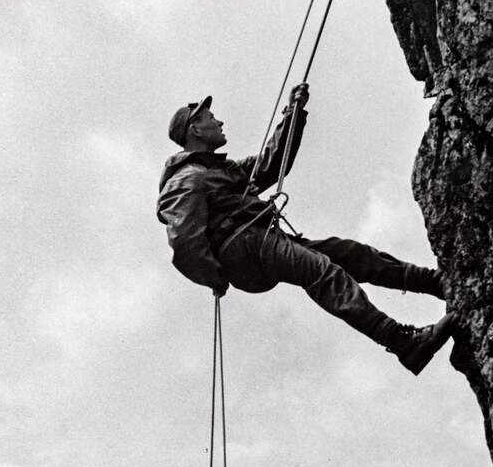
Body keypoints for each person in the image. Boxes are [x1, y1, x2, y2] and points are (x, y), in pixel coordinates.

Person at [157, 86, 454, 375]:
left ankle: (436, 283)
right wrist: (214, 275)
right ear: (195, 130)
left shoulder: (221, 170)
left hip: (256, 242)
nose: (219, 122)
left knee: (347, 254)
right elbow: (184, 239)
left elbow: (270, 166)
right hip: (243, 246)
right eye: (210, 118)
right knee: (323, 272)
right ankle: (404, 342)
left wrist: (293, 114)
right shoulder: (187, 178)